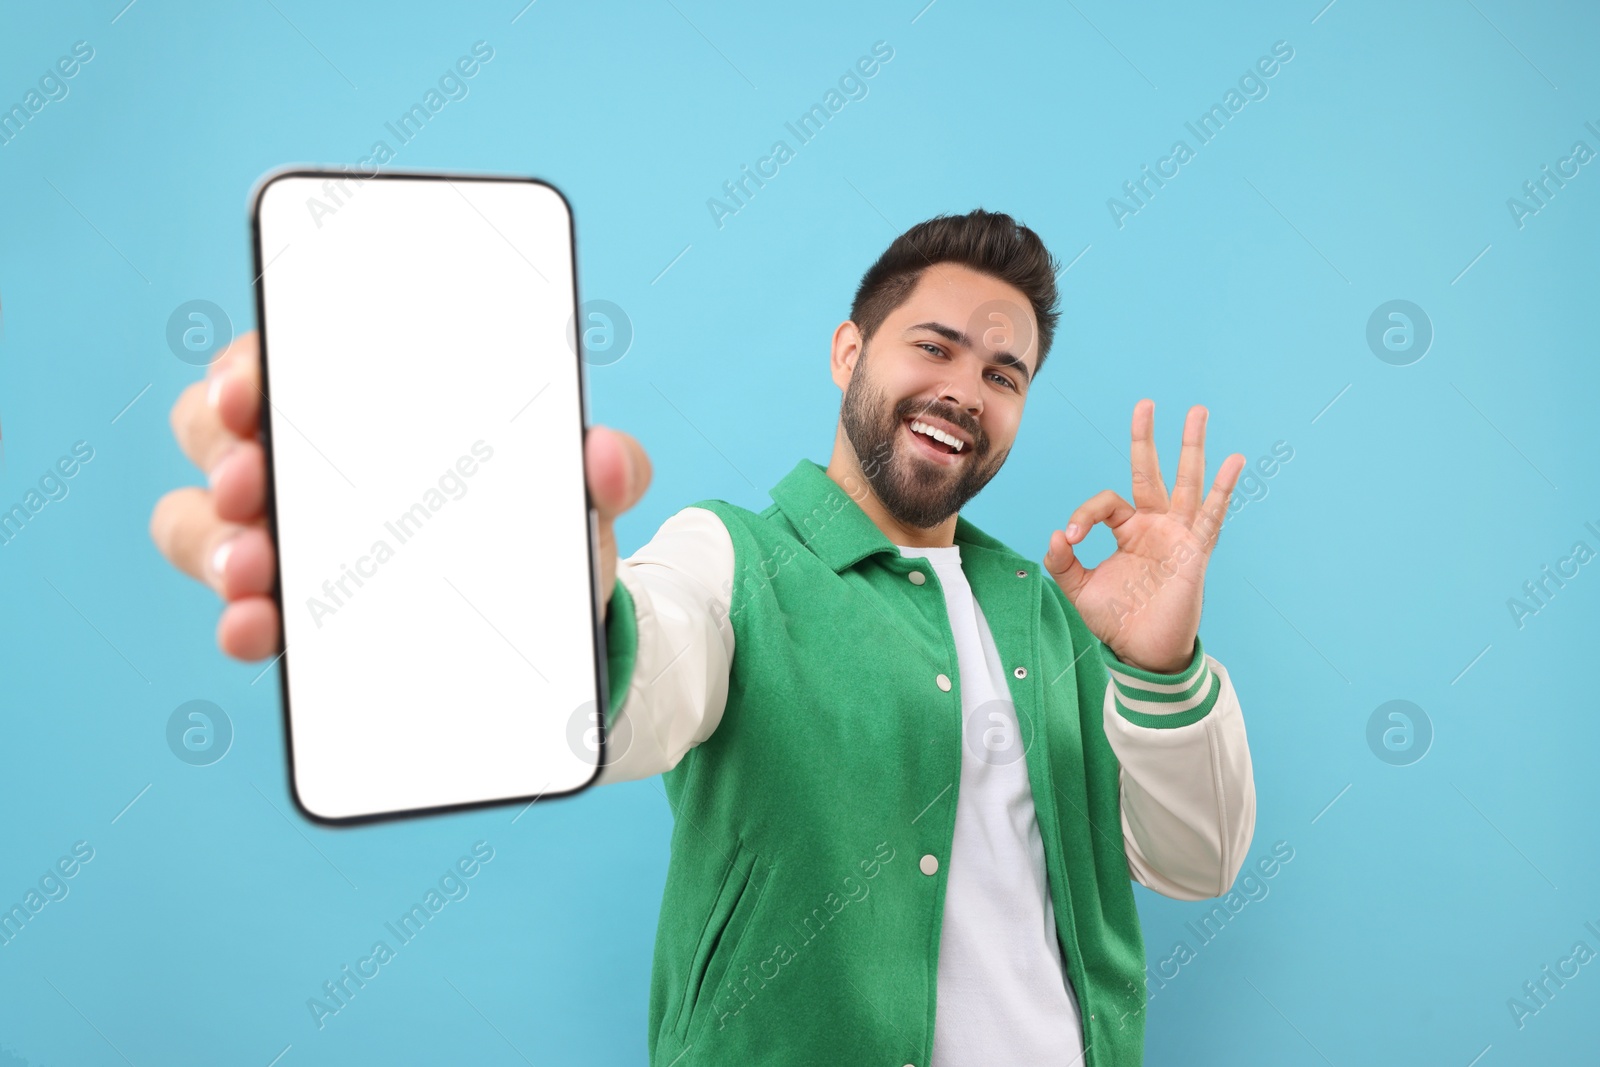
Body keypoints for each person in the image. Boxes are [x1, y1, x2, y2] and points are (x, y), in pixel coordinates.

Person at [151, 208, 1255, 1066]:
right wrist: (511, 589)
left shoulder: (1043, 607)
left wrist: (1158, 662)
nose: (965, 390)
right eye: (937, 345)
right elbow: (626, 689)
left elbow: (1195, 862)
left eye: (1002, 375)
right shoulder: (727, 559)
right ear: (847, 350)